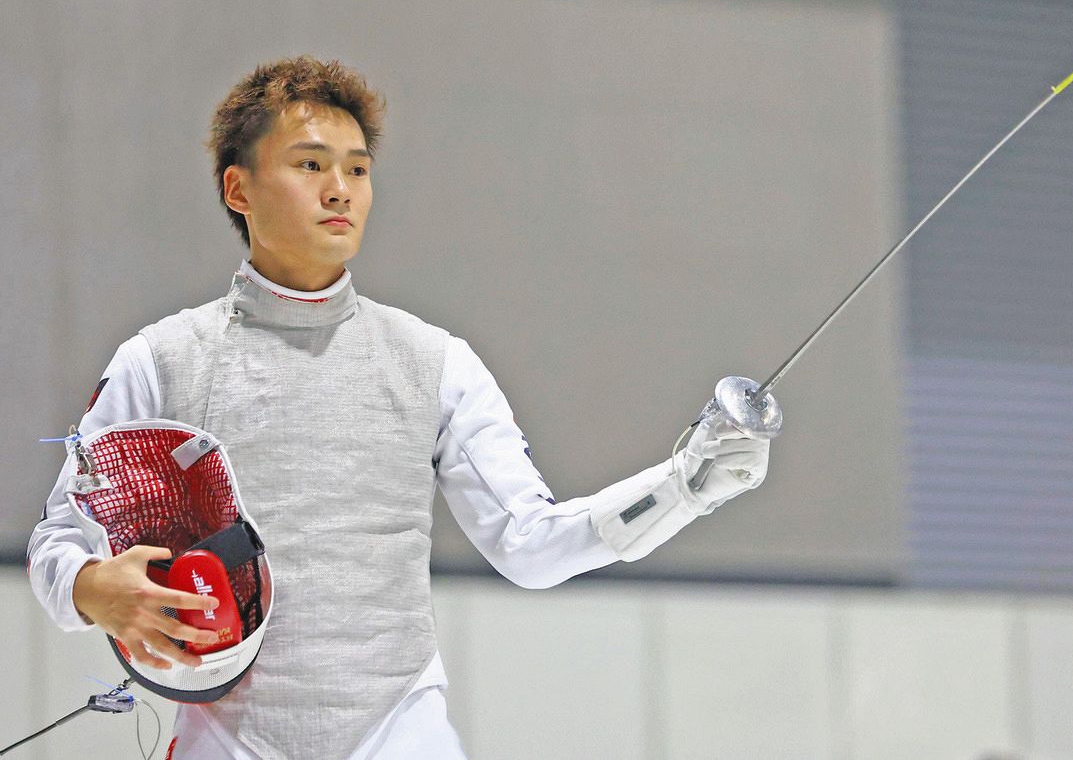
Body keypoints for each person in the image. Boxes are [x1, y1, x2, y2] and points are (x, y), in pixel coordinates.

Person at [26, 56, 771, 760]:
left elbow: (530, 544)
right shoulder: (161, 361)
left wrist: (684, 488)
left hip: (397, 730)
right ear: (239, 190)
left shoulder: (434, 363)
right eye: (310, 165)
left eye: (357, 169)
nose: (340, 190)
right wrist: (91, 589)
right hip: (227, 735)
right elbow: (58, 536)